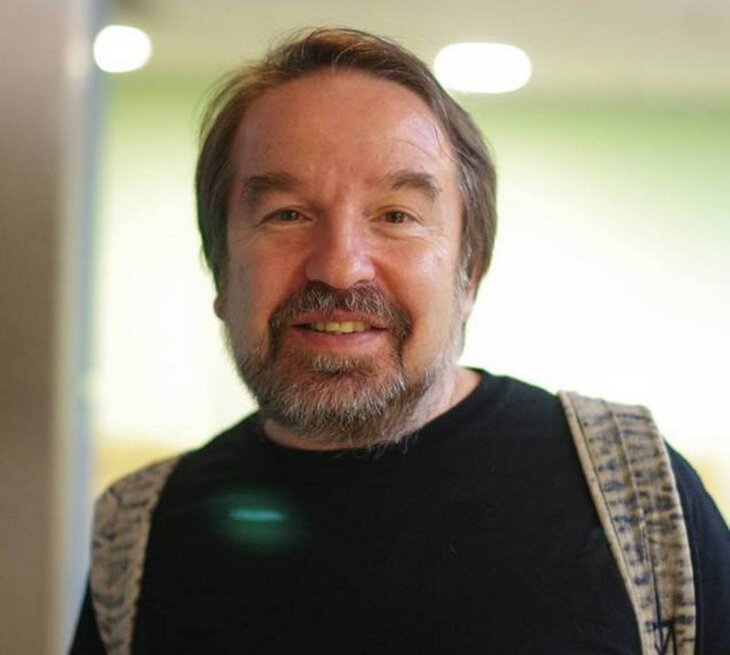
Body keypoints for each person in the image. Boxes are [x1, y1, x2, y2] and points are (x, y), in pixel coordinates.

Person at [70, 28, 730, 654]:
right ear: (221, 271)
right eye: (287, 214)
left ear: (469, 272)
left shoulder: (638, 493)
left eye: (396, 215)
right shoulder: (135, 536)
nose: (340, 266)